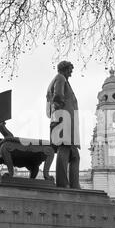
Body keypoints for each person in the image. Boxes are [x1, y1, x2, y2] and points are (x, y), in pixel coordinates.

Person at [46, 61, 81, 189]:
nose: (71, 72)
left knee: (74, 154)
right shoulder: (60, 78)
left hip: (65, 119)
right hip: (63, 118)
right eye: (70, 70)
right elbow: (58, 96)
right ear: (65, 69)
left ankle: (74, 184)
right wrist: (61, 115)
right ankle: (63, 183)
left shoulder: (61, 79)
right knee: (65, 149)